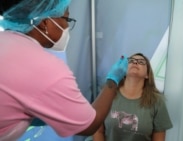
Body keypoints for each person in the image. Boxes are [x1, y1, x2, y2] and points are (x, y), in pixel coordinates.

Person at [0, 0, 128, 141]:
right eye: (66, 19)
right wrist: (113, 80)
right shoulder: (45, 68)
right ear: (44, 23)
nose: (67, 26)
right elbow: (90, 126)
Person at [93, 53, 173, 141]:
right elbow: (98, 131)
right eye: (131, 61)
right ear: (123, 71)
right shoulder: (108, 94)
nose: (135, 63)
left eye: (141, 62)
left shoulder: (157, 101)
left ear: (147, 74)